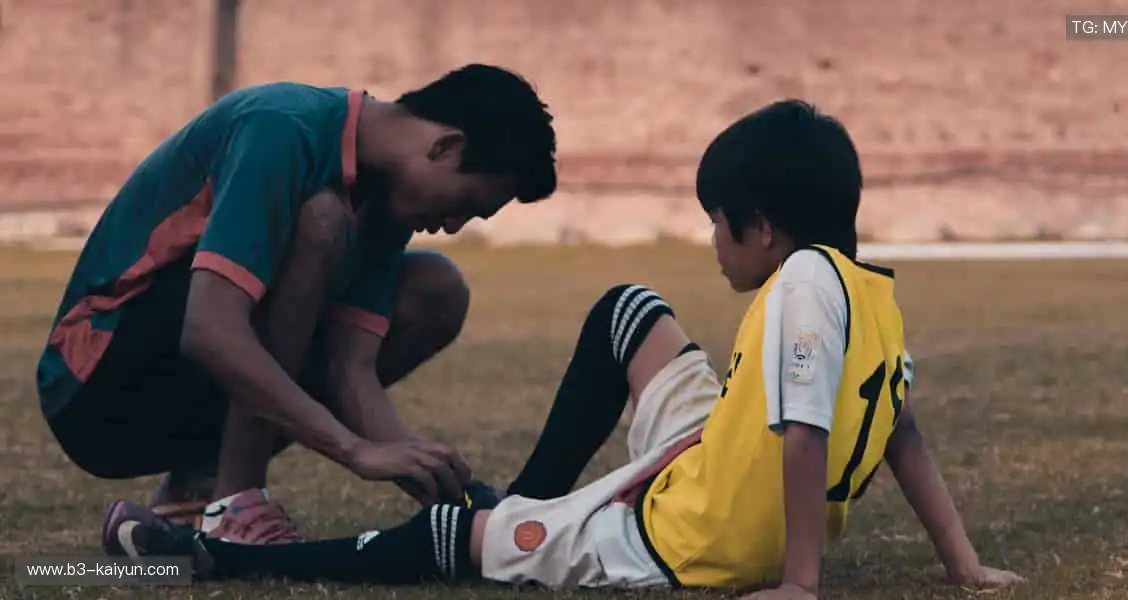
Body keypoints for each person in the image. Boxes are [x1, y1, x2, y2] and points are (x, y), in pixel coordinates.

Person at [101, 100, 1024, 597]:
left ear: (762, 227)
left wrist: (800, 586)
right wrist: (962, 563)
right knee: (629, 311)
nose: (712, 241)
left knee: (457, 539)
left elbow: (806, 436)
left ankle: (216, 559)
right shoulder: (869, 291)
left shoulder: (801, 286)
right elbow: (901, 431)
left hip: (686, 538)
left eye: (717, 222)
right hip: (709, 458)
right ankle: (534, 504)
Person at [38, 64, 557, 545]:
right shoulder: (281, 127)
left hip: (181, 393)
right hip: (96, 384)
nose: (453, 226)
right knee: (321, 219)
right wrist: (353, 449)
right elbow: (208, 330)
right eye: (465, 205)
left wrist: (446, 491)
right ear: (445, 147)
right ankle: (235, 501)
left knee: (435, 288)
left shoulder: (385, 198)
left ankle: (195, 492)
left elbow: (349, 371)